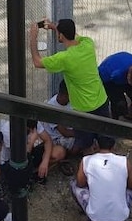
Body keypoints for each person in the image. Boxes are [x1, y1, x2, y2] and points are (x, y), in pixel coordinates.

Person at [28, 19, 109, 153]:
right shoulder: (88, 43)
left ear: (61, 36)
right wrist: (55, 28)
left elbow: (37, 62)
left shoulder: (64, 58)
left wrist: (33, 38)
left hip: (84, 108)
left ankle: (90, 164)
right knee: (106, 139)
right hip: (102, 100)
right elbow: (75, 36)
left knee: (86, 143)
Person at [70, 134, 132, 221]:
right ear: (113, 145)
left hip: (96, 218)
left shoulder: (87, 160)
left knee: (74, 185)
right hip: (119, 219)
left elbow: (80, 184)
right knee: (131, 191)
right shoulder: (124, 161)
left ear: (96, 144)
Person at [41, 80, 77, 164]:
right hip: (56, 138)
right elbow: (64, 132)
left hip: (69, 132)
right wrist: (81, 133)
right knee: (81, 143)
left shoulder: (70, 102)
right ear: (63, 95)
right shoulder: (52, 108)